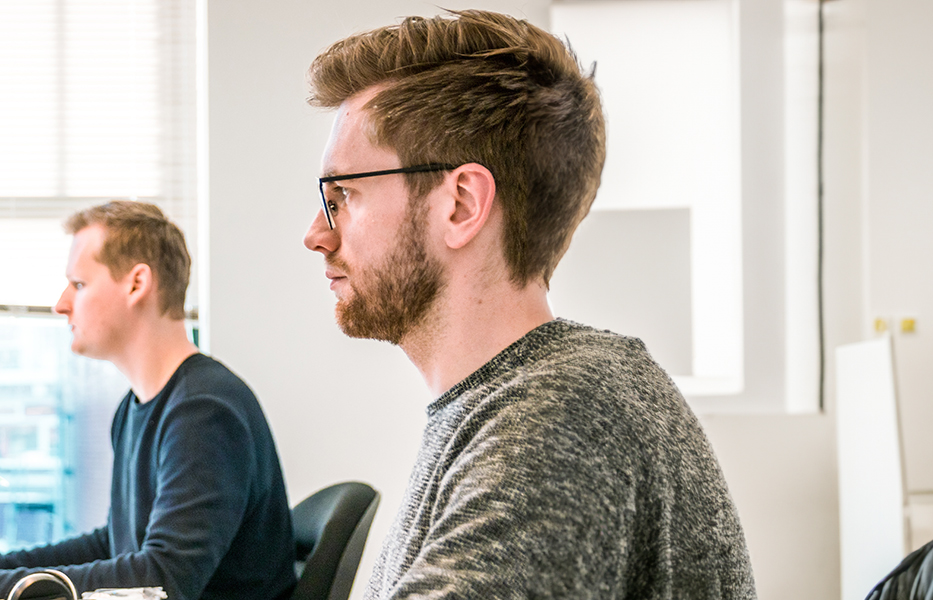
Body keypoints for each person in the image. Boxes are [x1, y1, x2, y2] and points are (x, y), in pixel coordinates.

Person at [301, 10, 755, 598]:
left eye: (343, 194)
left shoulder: (563, 416)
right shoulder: (505, 403)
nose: (316, 232)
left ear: (461, 204)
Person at [0, 201, 297, 600]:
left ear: (137, 284)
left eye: (79, 285)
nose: (61, 303)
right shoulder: (137, 408)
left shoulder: (204, 412)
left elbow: (162, 580)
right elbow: (114, 545)